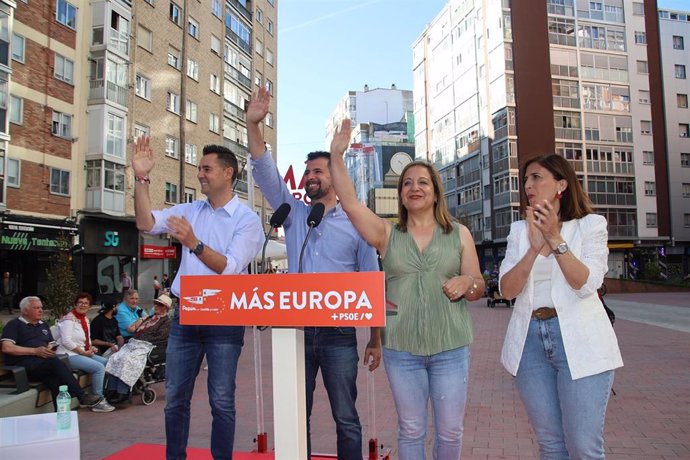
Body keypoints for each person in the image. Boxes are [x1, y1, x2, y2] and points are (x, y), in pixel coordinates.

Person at [328, 118, 484, 460]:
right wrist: (336, 157)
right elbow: (352, 205)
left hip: (451, 348)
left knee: (450, 431)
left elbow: (478, 285)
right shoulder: (387, 234)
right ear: (400, 194)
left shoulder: (459, 234)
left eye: (423, 182)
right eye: (407, 183)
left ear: (436, 191)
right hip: (402, 351)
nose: (415, 187)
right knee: (411, 430)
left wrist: (467, 282)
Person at [248, 88, 380, 459]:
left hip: (339, 334)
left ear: (336, 178)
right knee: (295, 415)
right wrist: (253, 125)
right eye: (307, 172)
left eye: (318, 171)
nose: (309, 176)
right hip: (296, 332)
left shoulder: (357, 223)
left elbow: (371, 284)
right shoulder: (291, 213)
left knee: (345, 418)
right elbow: (263, 169)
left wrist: (375, 339)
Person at [132, 135, 263, 459]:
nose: (200, 174)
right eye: (200, 168)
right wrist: (141, 179)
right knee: (176, 396)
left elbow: (230, 268)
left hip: (225, 317)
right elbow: (146, 223)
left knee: (221, 400)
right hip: (187, 313)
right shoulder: (190, 209)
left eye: (207, 168)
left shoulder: (247, 220)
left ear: (228, 173)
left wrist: (193, 243)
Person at [498, 154, 623, 459]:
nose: (528, 185)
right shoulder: (519, 231)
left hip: (581, 343)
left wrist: (554, 238)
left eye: (536, 177)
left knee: (583, 446)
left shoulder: (590, 225)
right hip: (530, 343)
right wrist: (532, 248)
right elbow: (507, 290)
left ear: (561, 185)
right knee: (551, 445)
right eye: (525, 179)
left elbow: (585, 283)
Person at [1, 296, 103, 410]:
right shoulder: (14, 325)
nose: (41, 310)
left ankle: (59, 414)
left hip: (43, 366)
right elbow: (7, 348)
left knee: (56, 381)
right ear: (24, 310)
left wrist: (50, 348)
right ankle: (81, 396)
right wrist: (35, 351)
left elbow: (52, 343)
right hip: (24, 366)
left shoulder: (42, 325)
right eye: (36, 308)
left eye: (41, 307)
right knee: (54, 362)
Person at [105, 294, 173, 405]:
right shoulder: (150, 317)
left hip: (148, 346)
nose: (156, 306)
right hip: (135, 343)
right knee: (115, 357)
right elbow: (137, 330)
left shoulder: (166, 322)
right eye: (156, 303)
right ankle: (112, 390)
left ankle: (123, 393)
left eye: (160, 304)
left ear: (166, 308)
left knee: (128, 360)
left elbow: (160, 337)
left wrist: (141, 338)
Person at [55, 293, 115, 412]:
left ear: (89, 306)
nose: (82, 305)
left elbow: (85, 339)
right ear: (75, 304)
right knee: (98, 367)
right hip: (68, 355)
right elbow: (66, 341)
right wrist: (83, 352)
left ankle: (101, 393)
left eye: (86, 303)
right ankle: (97, 401)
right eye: (80, 302)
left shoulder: (84, 319)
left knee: (107, 363)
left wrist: (91, 348)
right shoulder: (69, 319)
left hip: (81, 352)